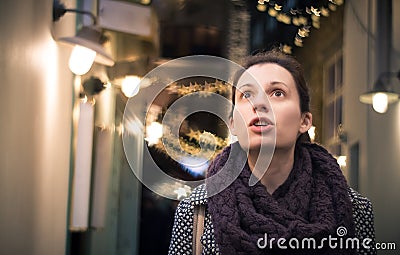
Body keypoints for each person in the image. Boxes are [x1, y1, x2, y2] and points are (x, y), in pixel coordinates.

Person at [168, 49, 376, 255]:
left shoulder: (354, 210)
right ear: (233, 124)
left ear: (304, 121)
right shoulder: (197, 211)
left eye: (277, 93)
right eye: (247, 95)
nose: (259, 104)